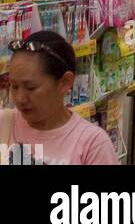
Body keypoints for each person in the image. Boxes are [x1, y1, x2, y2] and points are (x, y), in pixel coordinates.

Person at [2, 31, 118, 165]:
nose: (20, 98)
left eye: (31, 88)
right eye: (14, 86)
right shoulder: (4, 123)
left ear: (64, 82)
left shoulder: (93, 144)